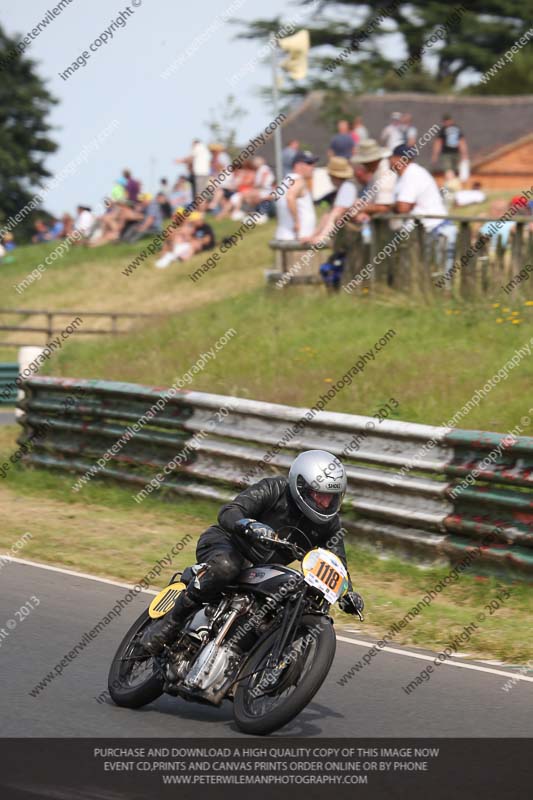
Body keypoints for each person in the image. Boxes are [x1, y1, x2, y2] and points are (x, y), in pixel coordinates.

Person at [141, 450, 365, 654]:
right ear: (302, 486)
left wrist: (347, 594)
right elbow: (230, 510)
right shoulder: (274, 489)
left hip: (263, 570)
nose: (325, 502)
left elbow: (336, 562)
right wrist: (248, 525)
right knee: (226, 567)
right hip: (227, 544)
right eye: (319, 495)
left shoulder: (330, 524)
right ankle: (171, 622)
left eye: (331, 497)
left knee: (290, 599)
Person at [390, 142, 456, 278]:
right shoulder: (408, 175)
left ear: (396, 159)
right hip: (431, 231)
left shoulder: (411, 174)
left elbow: (403, 207)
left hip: (435, 231)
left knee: (439, 279)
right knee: (434, 278)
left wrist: (390, 206)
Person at [303, 157, 356, 245]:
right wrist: (313, 236)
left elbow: (336, 213)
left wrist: (323, 236)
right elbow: (328, 216)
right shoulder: (342, 188)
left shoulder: (347, 188)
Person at [275, 150, 318, 241]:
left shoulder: (286, 180)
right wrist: (297, 221)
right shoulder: (299, 180)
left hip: (285, 236)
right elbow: (290, 197)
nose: (313, 167)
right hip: (299, 239)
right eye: (309, 163)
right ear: (297, 165)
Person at [350, 139, 396, 219]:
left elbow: (384, 207)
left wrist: (357, 209)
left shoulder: (385, 174)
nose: (363, 165)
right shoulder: (376, 172)